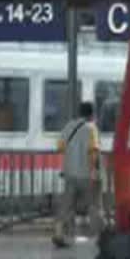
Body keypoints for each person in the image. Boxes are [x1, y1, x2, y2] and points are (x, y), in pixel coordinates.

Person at [52, 101, 103, 248]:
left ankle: (59, 234)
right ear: (92, 114)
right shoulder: (91, 128)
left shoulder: (69, 126)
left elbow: (60, 147)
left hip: (70, 174)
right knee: (93, 206)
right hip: (86, 174)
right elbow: (93, 151)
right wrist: (94, 171)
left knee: (66, 206)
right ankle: (100, 236)